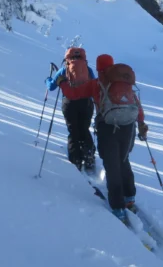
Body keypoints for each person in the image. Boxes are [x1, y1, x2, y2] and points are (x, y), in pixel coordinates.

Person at [59, 54, 148, 223]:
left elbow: (73, 93)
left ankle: (118, 207)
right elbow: (137, 105)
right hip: (128, 127)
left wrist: (62, 82)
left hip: (107, 127)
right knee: (123, 160)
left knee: (111, 165)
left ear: (98, 67)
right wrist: (142, 124)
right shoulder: (124, 82)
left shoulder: (96, 84)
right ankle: (129, 197)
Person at [46, 48, 97, 173]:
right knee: (84, 128)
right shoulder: (88, 70)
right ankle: (89, 155)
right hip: (86, 103)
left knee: (73, 130)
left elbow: (52, 87)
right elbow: (94, 84)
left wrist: (47, 79)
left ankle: (76, 160)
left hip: (69, 104)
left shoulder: (64, 70)